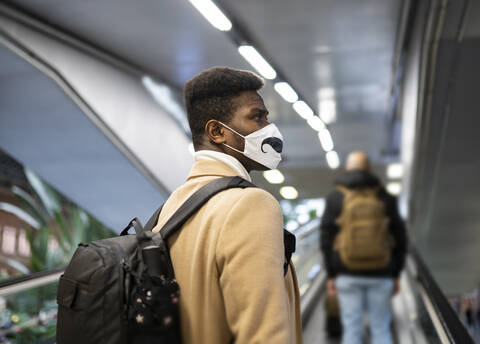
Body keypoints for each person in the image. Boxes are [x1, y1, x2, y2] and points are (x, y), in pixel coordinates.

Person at [152, 67, 302, 344]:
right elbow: (264, 334)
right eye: (257, 117)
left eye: (266, 117)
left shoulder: (173, 205)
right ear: (217, 131)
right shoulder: (251, 204)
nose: (269, 129)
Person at [320, 151, 407, 344]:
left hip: (346, 272)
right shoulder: (385, 197)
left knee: (351, 329)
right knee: (381, 328)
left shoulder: (335, 196)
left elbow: (326, 236)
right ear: (369, 169)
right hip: (381, 272)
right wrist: (396, 273)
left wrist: (331, 275)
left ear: (347, 169)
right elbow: (400, 237)